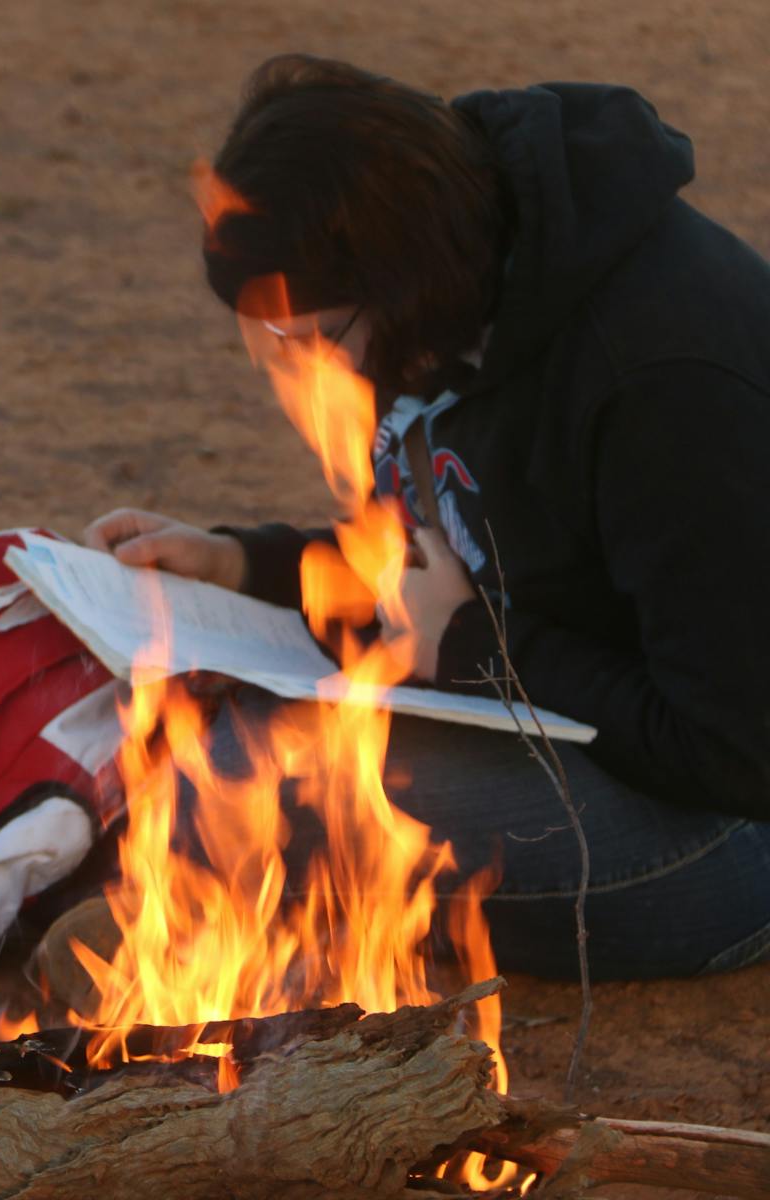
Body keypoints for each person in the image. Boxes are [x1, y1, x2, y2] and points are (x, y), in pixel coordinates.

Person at [57, 54, 770, 984]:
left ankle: (242, 975)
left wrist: (475, 645)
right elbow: (453, 560)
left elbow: (731, 749)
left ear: (402, 283)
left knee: (236, 789)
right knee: (165, 724)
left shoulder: (664, 385)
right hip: (569, 715)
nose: (307, 368)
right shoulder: (456, 301)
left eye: (316, 336)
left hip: (724, 835)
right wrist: (246, 565)